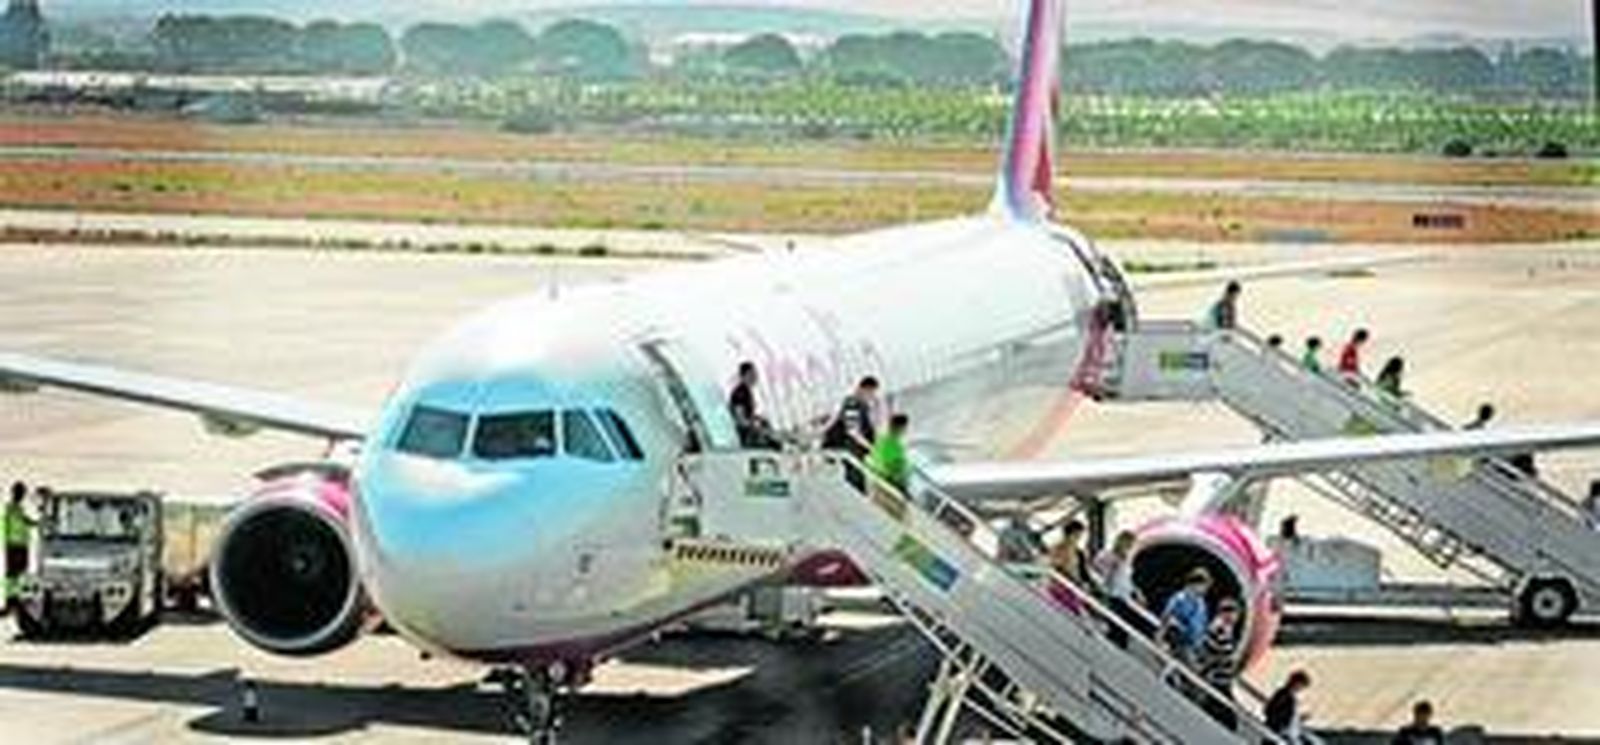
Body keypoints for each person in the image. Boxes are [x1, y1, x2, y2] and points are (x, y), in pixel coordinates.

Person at [824, 377, 881, 488]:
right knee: (855, 482)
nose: (872, 397)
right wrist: (871, 447)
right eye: (871, 393)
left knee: (859, 480)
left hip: (854, 451)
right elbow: (853, 431)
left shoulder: (859, 404)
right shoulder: (852, 404)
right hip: (849, 450)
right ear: (864, 389)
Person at [1092, 530, 1148, 644]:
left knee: (1124, 628)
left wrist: (1137, 592)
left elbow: (1128, 580)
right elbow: (1097, 572)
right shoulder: (1107, 555)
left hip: (1124, 597)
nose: (1130, 548)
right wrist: (1109, 574)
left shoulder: (1127, 561)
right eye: (1129, 545)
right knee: (1115, 625)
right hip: (1112, 594)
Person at [1198, 598, 1243, 728]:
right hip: (1217, 679)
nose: (1236, 618)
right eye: (1235, 614)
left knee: (1223, 711)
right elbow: (1212, 653)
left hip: (1222, 678)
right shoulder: (1219, 629)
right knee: (1227, 716)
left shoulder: (1225, 628)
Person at [1159, 568, 1212, 668]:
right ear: (1195, 583)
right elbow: (1166, 615)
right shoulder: (1180, 597)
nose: (1205, 590)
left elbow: (1202, 626)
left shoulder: (1202, 605)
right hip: (1176, 639)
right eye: (1204, 586)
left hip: (1192, 643)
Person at [728, 362, 776, 449]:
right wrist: (755, 426)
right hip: (746, 436)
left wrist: (758, 419)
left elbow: (748, 415)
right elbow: (740, 418)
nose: (756, 377)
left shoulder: (747, 391)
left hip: (750, 431)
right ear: (745, 375)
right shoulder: (739, 393)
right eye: (753, 374)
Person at [4, 482, 34, 615]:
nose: (22, 496)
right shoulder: (12, 508)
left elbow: (24, 521)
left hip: (15, 545)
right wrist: (34, 523)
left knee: (15, 575)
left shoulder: (15, 508)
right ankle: (13, 602)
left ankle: (13, 601)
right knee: (15, 575)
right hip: (16, 545)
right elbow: (23, 521)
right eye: (22, 493)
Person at [1264, 670, 1312, 743]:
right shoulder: (1285, 695)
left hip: (1279, 733)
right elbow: (1271, 711)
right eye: (1301, 685)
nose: (1301, 689)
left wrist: (1300, 718)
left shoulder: (1288, 696)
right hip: (1277, 733)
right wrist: (1280, 728)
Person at [867, 413, 910, 493]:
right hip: (889, 480)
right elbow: (891, 466)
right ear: (900, 428)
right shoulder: (892, 444)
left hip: (883, 477)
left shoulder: (882, 439)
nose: (905, 431)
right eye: (904, 428)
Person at [1050, 519, 1093, 588]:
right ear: (1067, 534)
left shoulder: (1079, 553)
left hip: (1075, 586)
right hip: (1060, 585)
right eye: (1075, 535)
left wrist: (1086, 584)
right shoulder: (1058, 549)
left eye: (1079, 536)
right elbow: (1056, 568)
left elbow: (1084, 572)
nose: (1077, 539)